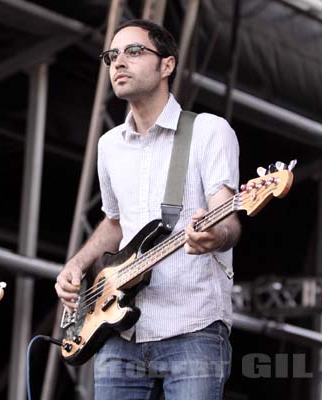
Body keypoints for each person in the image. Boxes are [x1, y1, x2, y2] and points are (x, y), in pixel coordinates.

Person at [55, 19, 241, 400]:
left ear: (167, 65)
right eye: (112, 55)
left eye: (134, 51)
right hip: (118, 332)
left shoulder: (209, 131)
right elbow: (114, 221)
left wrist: (214, 237)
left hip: (193, 325)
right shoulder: (109, 145)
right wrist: (75, 264)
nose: (119, 62)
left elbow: (229, 220)